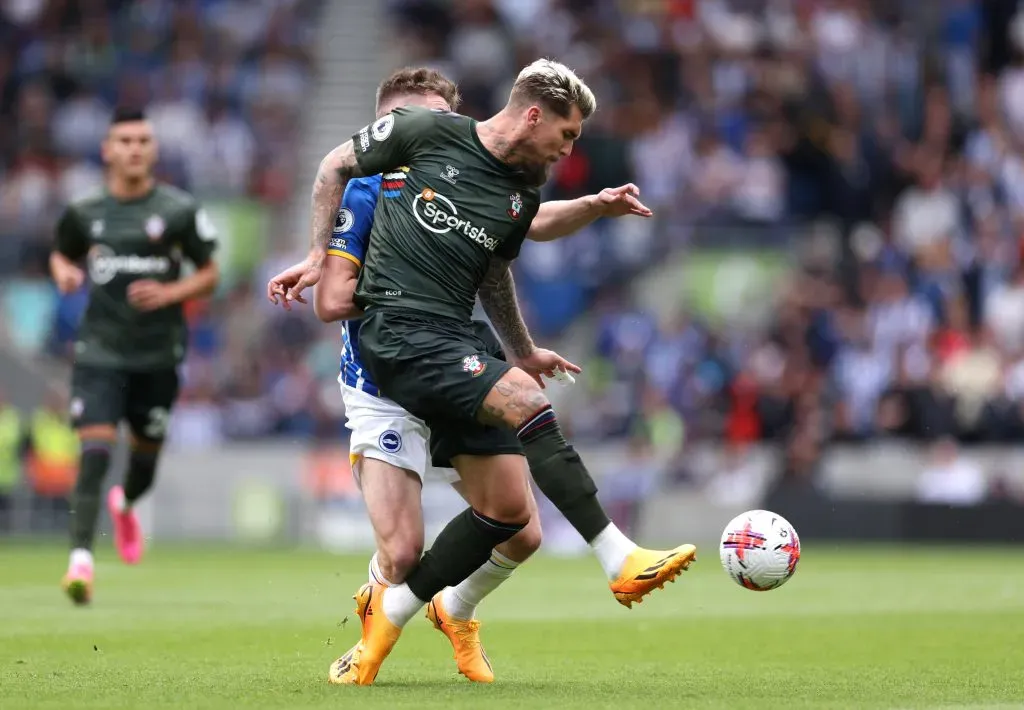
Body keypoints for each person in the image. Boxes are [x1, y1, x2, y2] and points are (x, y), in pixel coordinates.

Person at [278, 59, 696, 685]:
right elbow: (332, 295)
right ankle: (617, 555)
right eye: (568, 134)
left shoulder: (511, 187)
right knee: (401, 549)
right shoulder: (374, 184)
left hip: (454, 342)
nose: (569, 147)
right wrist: (324, 258)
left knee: (513, 520)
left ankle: (417, 611)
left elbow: (501, 258)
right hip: (394, 355)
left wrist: (522, 346)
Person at [50, 107, 221, 605]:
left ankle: (124, 504)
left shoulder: (177, 211)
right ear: (107, 150)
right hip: (99, 351)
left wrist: (171, 293)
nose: (134, 148)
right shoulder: (84, 213)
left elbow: (209, 271)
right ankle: (79, 561)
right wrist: (63, 271)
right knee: (95, 449)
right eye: (124, 140)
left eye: (143, 140)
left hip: (158, 356)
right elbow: (62, 251)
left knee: (143, 463)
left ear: (153, 150)